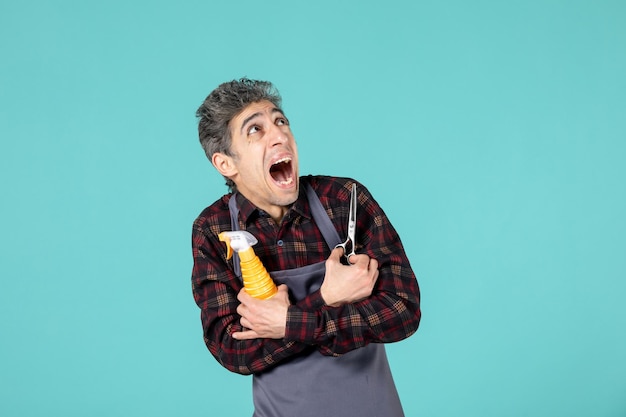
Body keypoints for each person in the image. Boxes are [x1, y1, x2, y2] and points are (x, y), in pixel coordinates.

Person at [191, 78, 421, 417]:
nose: (280, 135)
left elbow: (403, 311)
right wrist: (326, 299)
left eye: (280, 121)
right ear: (226, 163)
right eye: (255, 130)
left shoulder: (343, 201)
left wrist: (286, 322)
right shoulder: (215, 230)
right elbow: (232, 349)